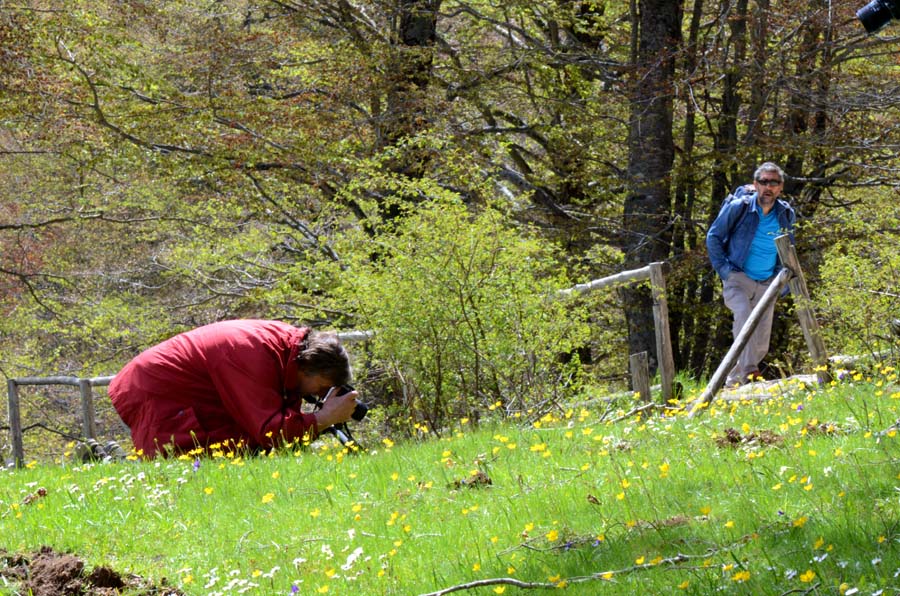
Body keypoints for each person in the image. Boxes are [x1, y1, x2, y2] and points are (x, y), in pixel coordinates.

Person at [108, 319, 360, 457]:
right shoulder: (253, 356)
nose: (318, 396)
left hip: (169, 384)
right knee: (181, 463)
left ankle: (108, 456)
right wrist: (324, 417)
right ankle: (107, 457)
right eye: (321, 388)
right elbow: (270, 432)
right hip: (156, 390)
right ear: (307, 368)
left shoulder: (286, 349)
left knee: (241, 451)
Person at [706, 162, 797, 386]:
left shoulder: (786, 214)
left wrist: (782, 282)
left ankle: (732, 382)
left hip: (768, 281)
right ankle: (749, 372)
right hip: (738, 277)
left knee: (761, 341)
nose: (768, 187)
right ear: (755, 184)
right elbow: (713, 236)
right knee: (744, 319)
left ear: (780, 187)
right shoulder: (740, 207)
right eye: (764, 182)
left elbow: (789, 247)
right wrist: (725, 271)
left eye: (773, 182)